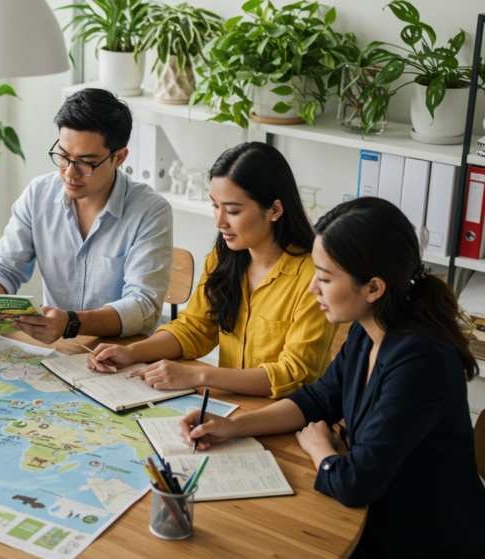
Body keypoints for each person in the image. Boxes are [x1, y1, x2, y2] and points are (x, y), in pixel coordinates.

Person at [178, 198, 485, 558]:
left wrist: (319, 447)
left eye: (324, 278)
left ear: (373, 288)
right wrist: (233, 427)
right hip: (377, 517)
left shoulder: (420, 361)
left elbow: (355, 482)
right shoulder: (367, 327)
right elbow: (318, 399)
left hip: (422, 541)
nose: (312, 289)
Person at [88, 142, 337, 398]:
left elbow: (294, 374)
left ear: (274, 210)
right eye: (215, 206)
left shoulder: (314, 277)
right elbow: (194, 328)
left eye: (232, 210)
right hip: (231, 406)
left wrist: (198, 375)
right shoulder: (224, 258)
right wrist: (133, 352)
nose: (219, 221)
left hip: (289, 417)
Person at [0, 88, 174, 344]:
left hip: (119, 353)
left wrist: (72, 322)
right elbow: (4, 266)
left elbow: (143, 307)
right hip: (57, 349)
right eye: (63, 156)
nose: (70, 173)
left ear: (118, 158)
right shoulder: (39, 194)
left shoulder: (150, 212)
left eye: (85, 162)